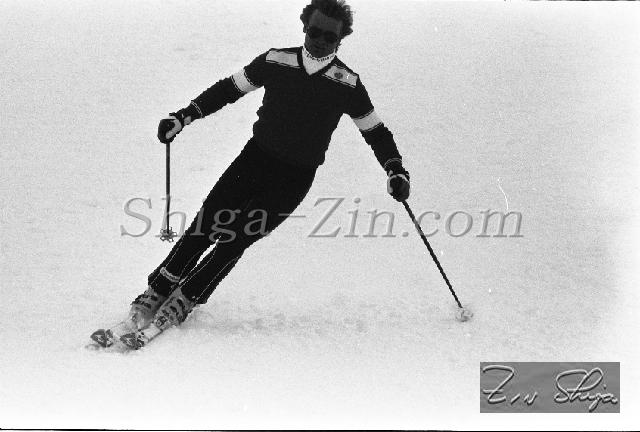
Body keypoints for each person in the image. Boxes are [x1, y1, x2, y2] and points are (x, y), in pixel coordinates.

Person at [127, 0, 410, 337]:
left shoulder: (347, 83)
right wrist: (184, 116)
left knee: (236, 240)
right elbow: (229, 89)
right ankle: (158, 289)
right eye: (315, 32)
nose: (320, 41)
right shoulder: (276, 60)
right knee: (207, 223)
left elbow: (375, 132)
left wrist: (395, 169)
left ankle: (186, 297)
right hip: (255, 159)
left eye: (329, 37)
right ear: (304, 26)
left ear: (341, 39)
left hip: (295, 178)